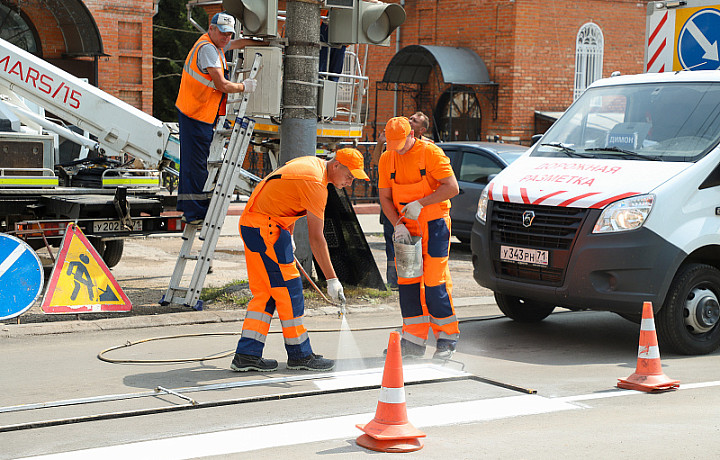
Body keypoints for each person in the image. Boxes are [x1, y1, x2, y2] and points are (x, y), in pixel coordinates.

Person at [231, 148, 370, 372]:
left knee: (266, 293)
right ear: (336, 166)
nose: (350, 182)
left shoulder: (311, 165)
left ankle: (247, 355)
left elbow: (287, 198)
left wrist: (288, 233)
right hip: (266, 229)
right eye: (349, 175)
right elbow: (316, 238)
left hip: (256, 225)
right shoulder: (316, 183)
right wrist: (332, 279)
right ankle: (300, 355)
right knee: (290, 291)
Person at [378, 116, 460, 360]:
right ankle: (413, 342)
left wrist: (421, 203)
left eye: (401, 145)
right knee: (408, 285)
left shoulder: (431, 153)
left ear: (412, 135)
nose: (398, 151)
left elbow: (452, 187)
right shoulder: (387, 158)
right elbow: (384, 198)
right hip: (406, 227)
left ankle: (446, 339)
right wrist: (397, 224)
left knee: (434, 282)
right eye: (393, 146)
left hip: (434, 224)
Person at [175, 12, 258, 225]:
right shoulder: (208, 50)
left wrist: (259, 41)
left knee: (192, 163)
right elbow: (221, 84)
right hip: (196, 113)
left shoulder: (215, 46)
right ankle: (195, 213)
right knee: (196, 165)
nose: (226, 38)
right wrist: (244, 87)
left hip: (196, 112)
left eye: (229, 34)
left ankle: (188, 207)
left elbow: (235, 44)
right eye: (222, 33)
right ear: (211, 28)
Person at [373, 112, 433, 288]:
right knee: (394, 246)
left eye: (414, 121)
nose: (409, 121)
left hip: (417, 212)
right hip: (394, 209)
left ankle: (418, 281)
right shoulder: (393, 145)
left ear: (419, 130)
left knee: (420, 249)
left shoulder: (427, 148)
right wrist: (381, 142)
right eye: (410, 118)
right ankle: (394, 282)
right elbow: (378, 162)